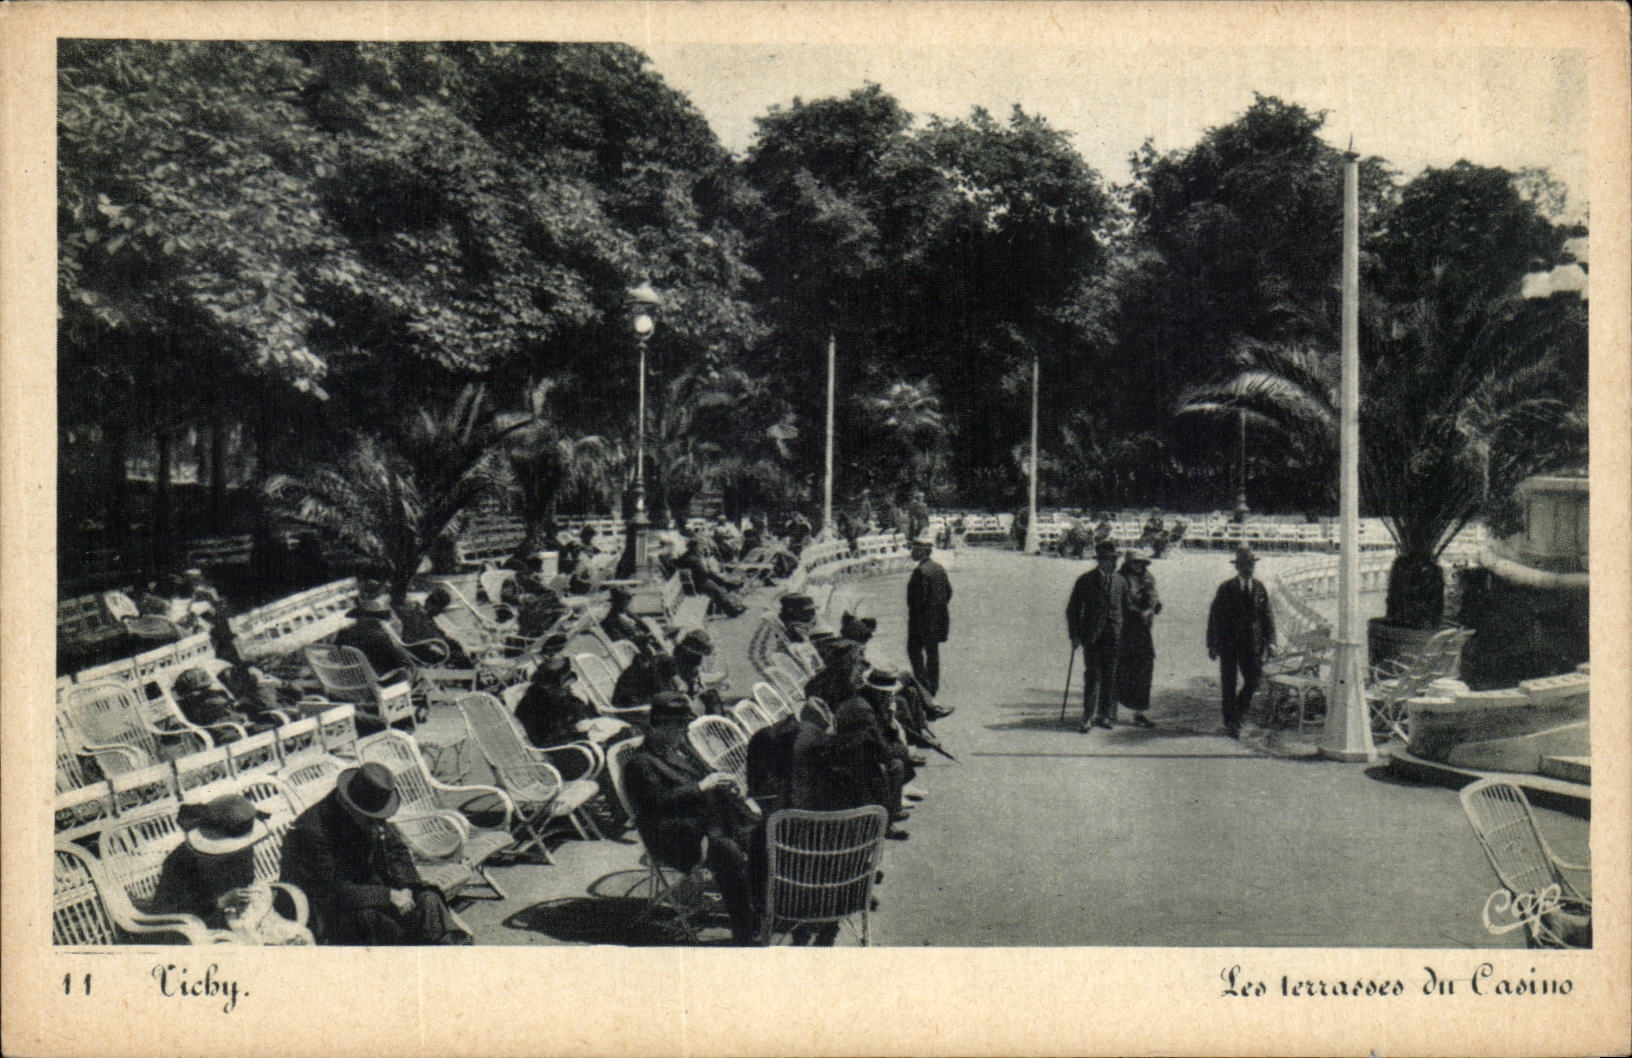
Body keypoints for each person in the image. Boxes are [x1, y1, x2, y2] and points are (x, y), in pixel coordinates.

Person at [622, 691, 761, 944]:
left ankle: (762, 909)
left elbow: (708, 774)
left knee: (759, 838)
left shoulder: (677, 750)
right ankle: (745, 930)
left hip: (709, 823)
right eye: (680, 727)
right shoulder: (641, 763)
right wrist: (701, 787)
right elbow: (657, 805)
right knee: (727, 851)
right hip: (675, 836)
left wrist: (725, 783)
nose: (684, 732)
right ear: (661, 726)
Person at [279, 763, 471, 945]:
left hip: (368, 892)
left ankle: (445, 952)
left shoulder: (366, 813)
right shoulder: (312, 831)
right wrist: (387, 896)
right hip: (328, 910)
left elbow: (397, 851)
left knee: (428, 899)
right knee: (374, 921)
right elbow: (330, 891)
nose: (379, 825)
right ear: (347, 804)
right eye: (372, 819)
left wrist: (406, 888)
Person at [146, 794, 268, 931]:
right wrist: (218, 903)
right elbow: (164, 911)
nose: (236, 851)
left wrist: (246, 897)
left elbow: (246, 880)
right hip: (198, 928)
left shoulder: (242, 847)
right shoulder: (181, 859)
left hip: (236, 921)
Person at [1206, 546, 1276, 739]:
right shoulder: (1226, 588)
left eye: (1251, 564)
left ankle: (1237, 714)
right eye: (1245, 565)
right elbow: (1214, 618)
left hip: (1252, 644)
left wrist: (1271, 642)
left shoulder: (1260, 588)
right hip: (1228, 643)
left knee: (1254, 680)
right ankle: (1231, 722)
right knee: (1228, 684)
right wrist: (1212, 644)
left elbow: (1267, 616)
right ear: (1237, 567)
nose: (1249, 568)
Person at [1066, 539, 1128, 732]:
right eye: (1109, 560)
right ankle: (1088, 716)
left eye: (1115, 559)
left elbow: (1126, 607)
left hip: (1114, 636)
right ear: (1100, 561)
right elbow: (1073, 609)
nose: (1114, 563)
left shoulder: (1120, 581)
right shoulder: (1086, 580)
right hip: (1092, 636)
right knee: (1093, 675)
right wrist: (1075, 635)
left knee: (1110, 675)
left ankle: (1105, 715)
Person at [1115, 549, 1162, 728]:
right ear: (1128, 563)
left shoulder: (1148, 578)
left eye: (1141, 562)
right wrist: (1141, 611)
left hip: (1142, 630)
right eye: (1135, 562)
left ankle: (1139, 712)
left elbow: (1153, 598)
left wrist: (1153, 606)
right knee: (1121, 669)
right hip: (1123, 630)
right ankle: (1111, 710)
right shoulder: (1119, 579)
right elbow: (1124, 604)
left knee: (1144, 668)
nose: (1139, 565)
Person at [513, 655, 597, 748]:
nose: (569, 686)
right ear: (551, 685)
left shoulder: (562, 696)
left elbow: (590, 715)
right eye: (565, 681)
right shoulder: (538, 703)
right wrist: (580, 731)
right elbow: (549, 739)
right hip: (568, 748)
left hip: (580, 740)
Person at [905, 535, 952, 697]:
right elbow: (948, 592)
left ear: (922, 551)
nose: (911, 552)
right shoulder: (938, 568)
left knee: (914, 652)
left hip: (921, 622)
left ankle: (923, 686)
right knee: (933, 654)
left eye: (914, 549)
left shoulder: (920, 572)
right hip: (938, 619)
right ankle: (933, 686)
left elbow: (915, 601)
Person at [333, 598, 418, 685]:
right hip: (393, 678)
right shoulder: (379, 632)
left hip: (364, 683)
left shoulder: (342, 635)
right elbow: (401, 660)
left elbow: (334, 657)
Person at [673, 630, 725, 714]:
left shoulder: (684, 654)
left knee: (711, 695)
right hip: (688, 689)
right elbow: (689, 676)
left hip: (691, 684)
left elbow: (695, 673)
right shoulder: (684, 659)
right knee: (711, 696)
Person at [601, 585, 660, 656]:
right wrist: (643, 638)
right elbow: (623, 643)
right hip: (635, 653)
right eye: (626, 599)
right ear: (617, 602)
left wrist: (651, 635)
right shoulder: (610, 622)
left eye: (629, 598)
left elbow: (643, 626)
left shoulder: (628, 613)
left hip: (646, 645)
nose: (629, 602)